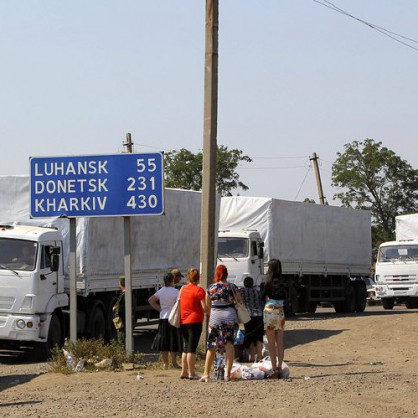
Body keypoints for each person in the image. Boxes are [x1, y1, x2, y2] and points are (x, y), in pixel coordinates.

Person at [200, 264, 241, 382]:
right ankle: (227, 374)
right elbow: (239, 301)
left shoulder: (211, 288)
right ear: (227, 274)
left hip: (215, 318)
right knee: (229, 345)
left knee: (212, 346)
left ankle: (206, 374)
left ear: (216, 274)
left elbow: (207, 306)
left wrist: (212, 314)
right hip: (230, 317)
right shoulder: (232, 287)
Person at [262, 258, 290, 379]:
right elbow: (288, 296)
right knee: (280, 341)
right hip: (280, 311)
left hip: (269, 310)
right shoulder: (285, 281)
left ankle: (274, 368)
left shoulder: (267, 281)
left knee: (271, 342)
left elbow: (262, 296)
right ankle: (279, 366)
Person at [148, 273, 181, 369]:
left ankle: (165, 363)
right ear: (172, 280)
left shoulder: (161, 291)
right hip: (172, 318)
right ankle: (174, 363)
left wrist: (159, 308)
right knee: (173, 340)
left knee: (163, 340)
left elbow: (151, 300)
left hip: (163, 317)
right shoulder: (176, 291)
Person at [178, 268, 206, 380]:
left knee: (186, 347)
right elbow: (204, 307)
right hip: (195, 321)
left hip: (183, 321)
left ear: (188, 277)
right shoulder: (199, 290)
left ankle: (184, 371)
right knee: (192, 348)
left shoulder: (182, 288)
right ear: (198, 277)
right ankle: (192, 373)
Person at [240, 276, 264, 362]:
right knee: (259, 337)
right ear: (253, 284)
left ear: (244, 284)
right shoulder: (258, 292)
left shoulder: (242, 291)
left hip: (248, 316)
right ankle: (260, 357)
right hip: (259, 315)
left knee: (250, 335)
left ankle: (252, 357)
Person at [113, 276, 126, 345]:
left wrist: (115, 308)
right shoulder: (128, 293)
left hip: (121, 318)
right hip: (123, 317)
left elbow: (119, 308)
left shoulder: (124, 295)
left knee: (121, 336)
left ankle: (122, 351)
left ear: (121, 283)